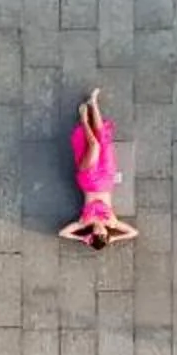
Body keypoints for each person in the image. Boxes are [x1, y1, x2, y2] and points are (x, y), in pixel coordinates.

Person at [59, 88, 139, 250]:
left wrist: (82, 238)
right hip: (107, 178)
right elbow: (133, 233)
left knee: (94, 146)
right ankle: (93, 103)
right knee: (103, 140)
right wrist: (114, 239)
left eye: (96, 234)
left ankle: (84, 120)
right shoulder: (112, 222)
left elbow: (63, 233)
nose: (100, 231)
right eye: (103, 234)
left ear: (91, 236)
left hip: (89, 179)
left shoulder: (84, 222)